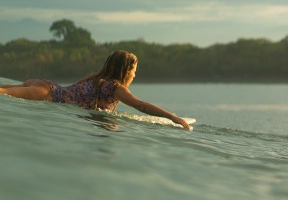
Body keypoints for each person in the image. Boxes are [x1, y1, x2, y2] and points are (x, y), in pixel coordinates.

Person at [0, 50, 192, 130]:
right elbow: (140, 105)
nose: (135, 75)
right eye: (134, 71)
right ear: (125, 71)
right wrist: (173, 117)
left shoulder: (98, 80)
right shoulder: (115, 87)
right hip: (46, 94)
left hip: (43, 85)